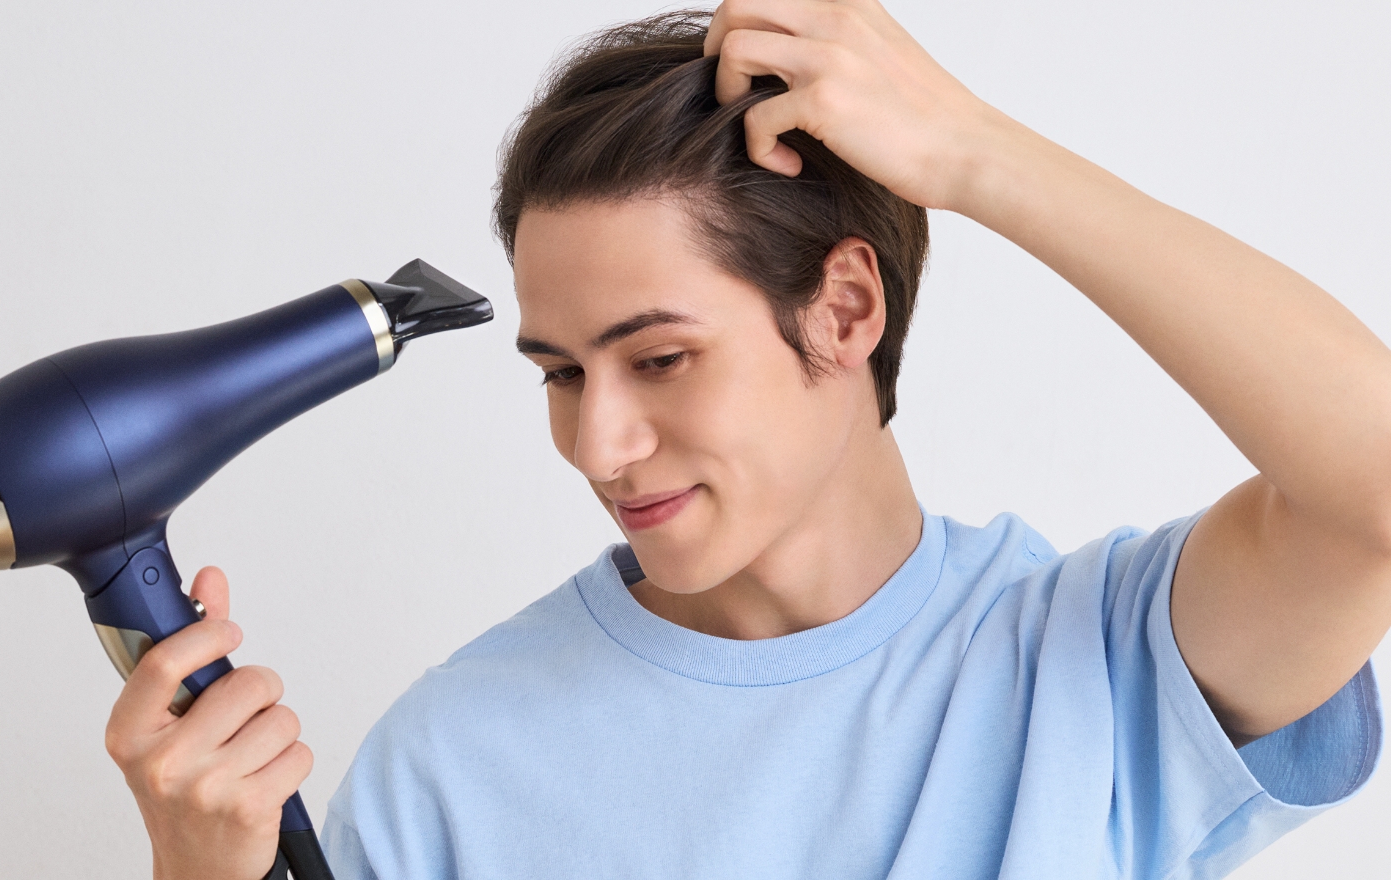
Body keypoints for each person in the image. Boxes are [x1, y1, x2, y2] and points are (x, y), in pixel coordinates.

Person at [103, 3, 1390, 878]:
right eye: (560, 372)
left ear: (844, 308)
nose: (598, 444)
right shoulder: (455, 762)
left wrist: (974, 154)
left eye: (660, 359)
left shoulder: (1101, 674)